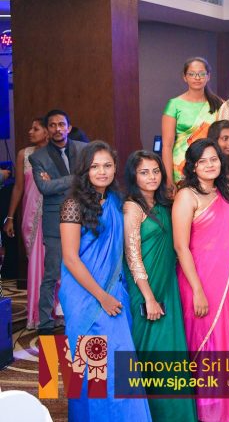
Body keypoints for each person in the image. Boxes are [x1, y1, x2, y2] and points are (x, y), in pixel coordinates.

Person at [58, 142, 153, 421]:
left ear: (115, 168)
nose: (102, 172)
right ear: (84, 170)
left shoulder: (115, 201)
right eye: (95, 166)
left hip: (114, 291)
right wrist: (102, 297)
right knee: (89, 364)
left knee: (117, 364)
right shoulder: (72, 205)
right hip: (85, 295)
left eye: (107, 166)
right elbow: (70, 258)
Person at [171, 139, 229, 421]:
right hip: (197, 280)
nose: (209, 165)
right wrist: (197, 290)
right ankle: (209, 408)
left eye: (213, 159)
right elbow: (181, 247)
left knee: (226, 339)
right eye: (202, 161)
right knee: (205, 342)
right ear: (192, 166)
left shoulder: (223, 192)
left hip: (224, 279)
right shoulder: (186, 196)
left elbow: (226, 243)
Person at [122, 151, 198, 421]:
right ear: (133, 176)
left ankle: (176, 414)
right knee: (151, 352)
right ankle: (150, 414)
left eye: (155, 171)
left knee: (172, 350)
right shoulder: (132, 207)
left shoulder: (165, 204)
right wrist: (149, 298)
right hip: (146, 288)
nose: (152, 177)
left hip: (168, 285)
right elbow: (132, 257)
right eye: (144, 172)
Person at [30, 109, 87, 335]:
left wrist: (57, 182)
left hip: (85, 218)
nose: (57, 129)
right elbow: (44, 188)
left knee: (86, 269)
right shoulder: (38, 157)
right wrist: (75, 178)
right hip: (55, 222)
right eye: (52, 125)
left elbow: (90, 180)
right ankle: (45, 322)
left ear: (69, 127)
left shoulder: (84, 149)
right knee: (52, 274)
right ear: (47, 130)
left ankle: (82, 315)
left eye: (61, 124)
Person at [3, 117, 49, 329]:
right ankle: (36, 314)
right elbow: (19, 188)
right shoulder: (24, 154)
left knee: (52, 263)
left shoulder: (56, 154)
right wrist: (10, 217)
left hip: (51, 216)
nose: (30, 131)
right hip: (31, 217)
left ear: (47, 132)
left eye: (35, 128)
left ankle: (54, 311)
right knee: (35, 264)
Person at [161, 57, 222, 185]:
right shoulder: (174, 105)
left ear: (208, 76)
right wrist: (168, 179)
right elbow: (167, 145)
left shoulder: (219, 104)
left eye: (201, 74)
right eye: (192, 74)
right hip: (181, 166)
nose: (197, 78)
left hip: (210, 165)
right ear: (185, 77)